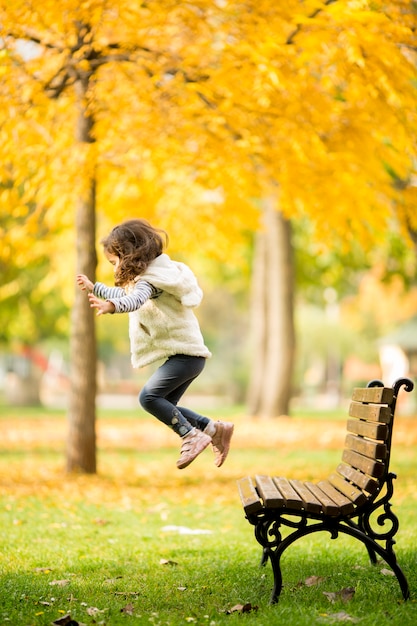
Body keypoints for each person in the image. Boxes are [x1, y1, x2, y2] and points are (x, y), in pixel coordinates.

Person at [76, 218, 234, 470]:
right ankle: (215, 429)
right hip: (188, 357)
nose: (114, 268)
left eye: (114, 262)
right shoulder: (155, 278)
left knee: (148, 397)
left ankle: (192, 436)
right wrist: (97, 289)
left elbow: (134, 300)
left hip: (186, 357)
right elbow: (128, 293)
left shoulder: (150, 281)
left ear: (127, 255)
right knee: (164, 404)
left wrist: (111, 306)